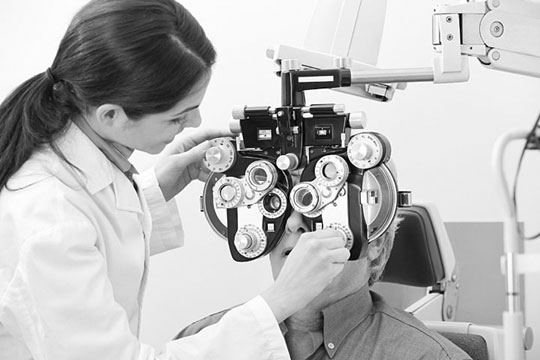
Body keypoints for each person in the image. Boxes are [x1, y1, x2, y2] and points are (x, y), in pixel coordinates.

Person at [0, 1, 351, 359]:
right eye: (177, 116)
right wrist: (280, 299)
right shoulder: (49, 220)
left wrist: (153, 191)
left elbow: (97, 233)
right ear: (111, 115)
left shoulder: (69, 176)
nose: (196, 122)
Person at [176, 170, 473, 360]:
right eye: (279, 207)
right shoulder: (203, 340)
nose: (294, 223)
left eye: (319, 205)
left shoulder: (427, 356)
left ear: (376, 245)